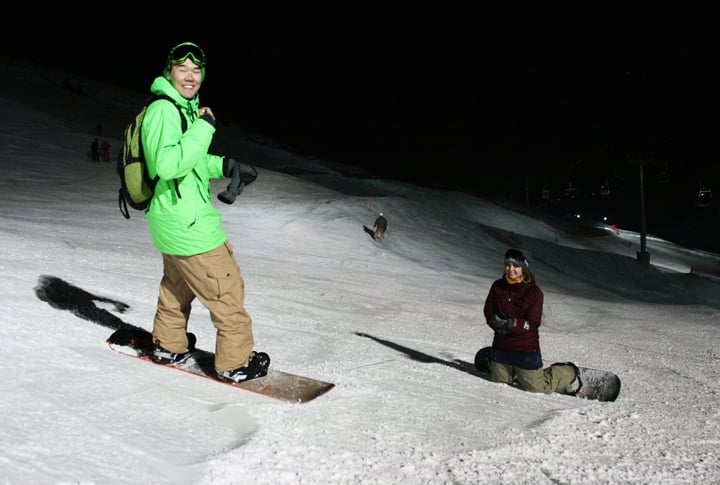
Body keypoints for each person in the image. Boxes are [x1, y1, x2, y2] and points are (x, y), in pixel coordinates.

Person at [141, 41, 269, 383]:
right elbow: (167, 165)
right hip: (190, 224)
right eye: (182, 69)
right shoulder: (165, 110)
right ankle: (234, 363)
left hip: (173, 221)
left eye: (196, 70)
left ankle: (169, 344)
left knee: (177, 287)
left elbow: (188, 160)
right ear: (169, 71)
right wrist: (205, 127)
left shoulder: (180, 108)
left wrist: (225, 164)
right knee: (226, 293)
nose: (190, 76)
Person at [481, 248, 581, 396]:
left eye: (516, 266)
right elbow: (488, 309)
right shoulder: (498, 286)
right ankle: (501, 365)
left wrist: (513, 324)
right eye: (508, 265)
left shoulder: (534, 292)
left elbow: (533, 324)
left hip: (525, 349)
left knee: (538, 388)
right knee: (499, 381)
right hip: (501, 347)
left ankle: (568, 371)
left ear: (523, 268)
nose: (511, 269)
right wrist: (493, 320)